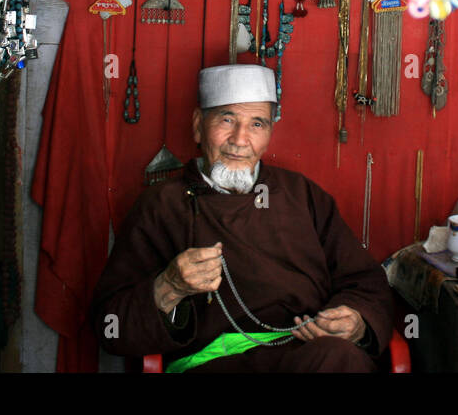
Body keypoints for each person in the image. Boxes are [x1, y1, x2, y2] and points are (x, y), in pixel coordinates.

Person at [89, 64, 395, 372]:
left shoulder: (302, 195)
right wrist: (169, 287)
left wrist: (355, 322)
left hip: (309, 355)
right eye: (227, 119)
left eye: (257, 124)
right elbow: (110, 326)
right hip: (214, 363)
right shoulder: (162, 205)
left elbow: (366, 282)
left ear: (269, 134)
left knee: (339, 359)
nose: (239, 139)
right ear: (198, 125)